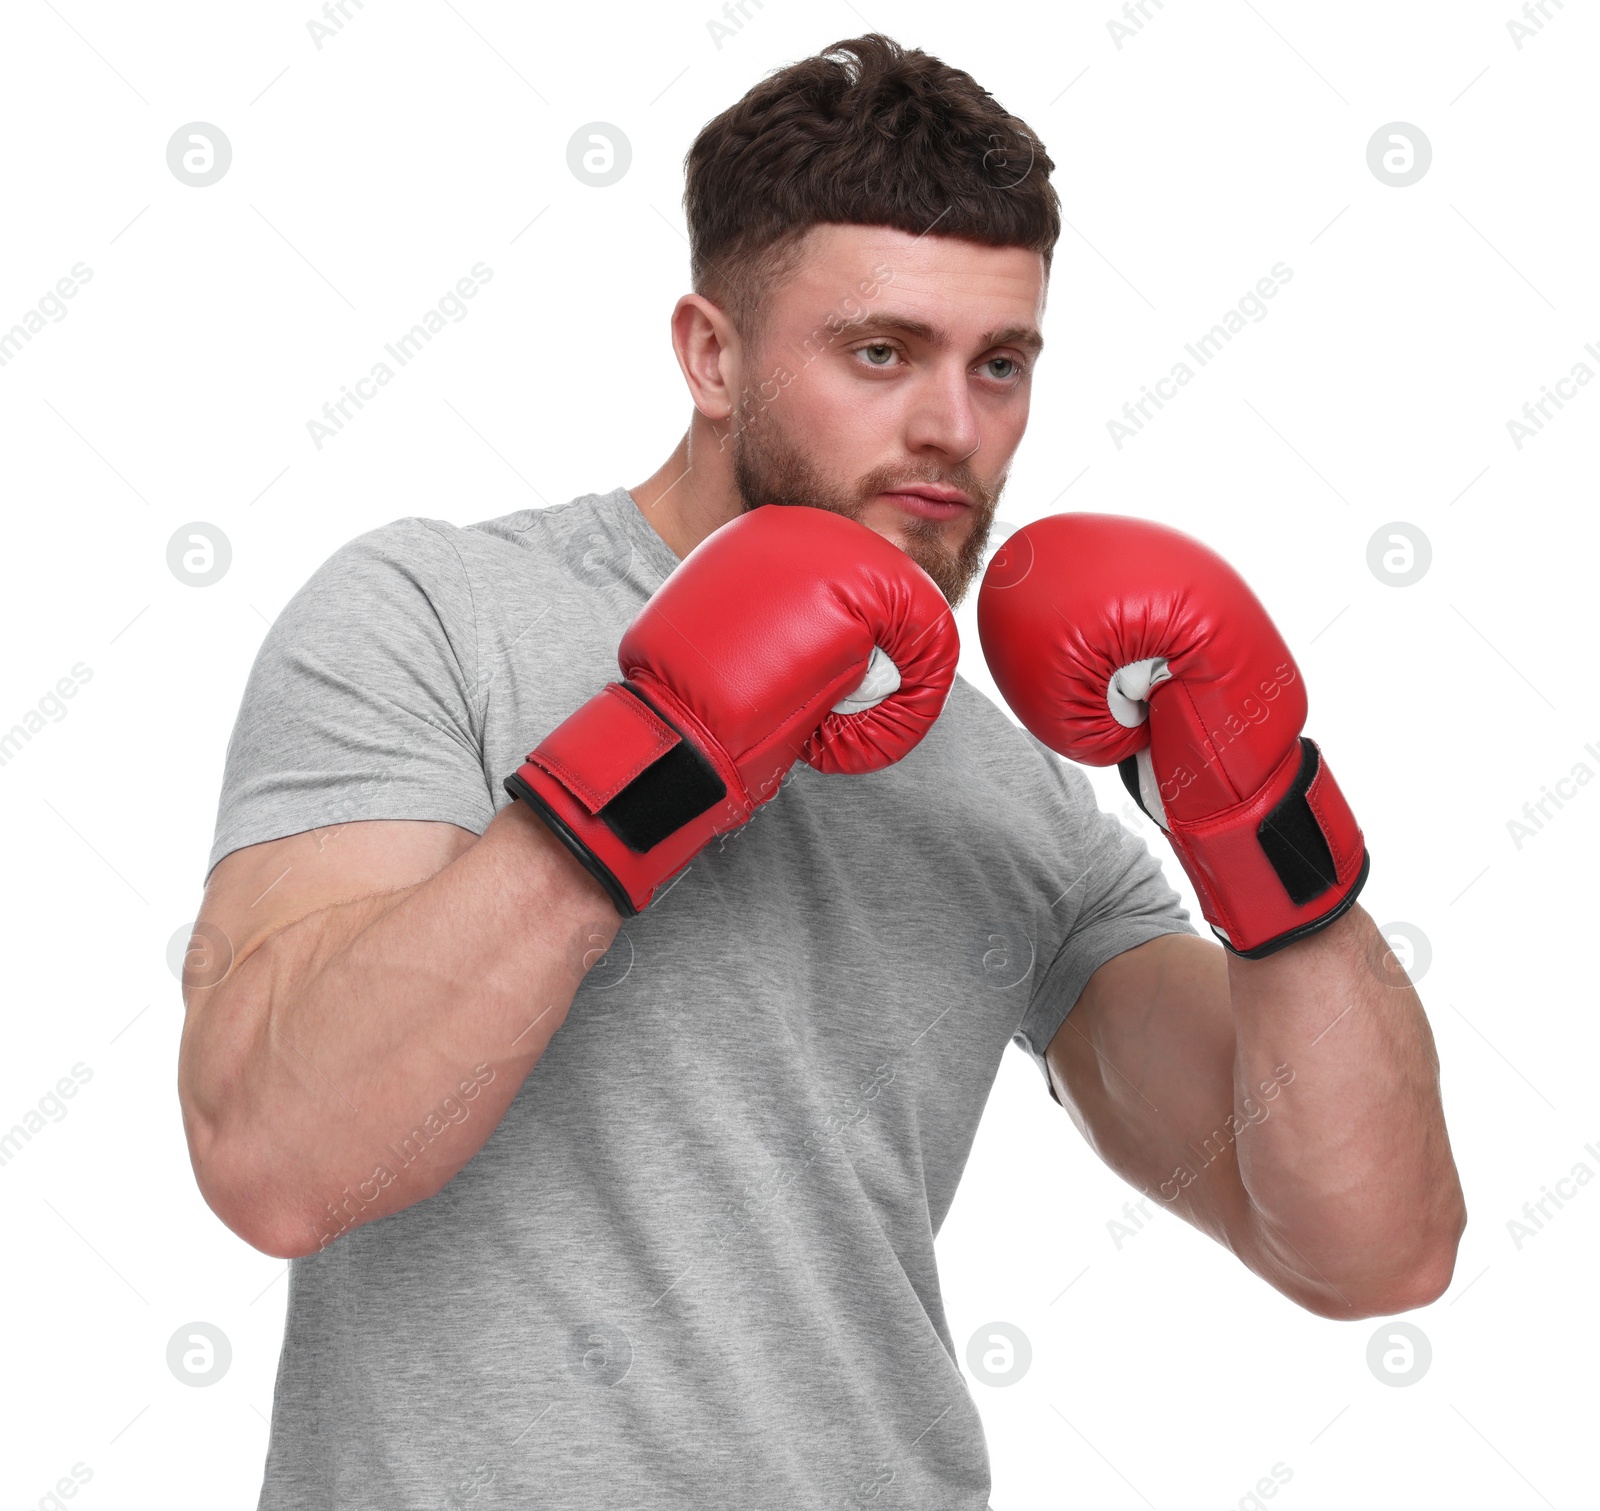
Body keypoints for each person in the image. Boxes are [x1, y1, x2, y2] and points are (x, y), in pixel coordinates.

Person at [177, 33, 1466, 1510]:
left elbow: (1374, 1247)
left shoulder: (1008, 785)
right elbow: (275, 1155)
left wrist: (1260, 815)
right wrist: (660, 753)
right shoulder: (433, 615)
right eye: (880, 352)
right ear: (710, 354)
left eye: (1001, 365)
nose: (953, 430)